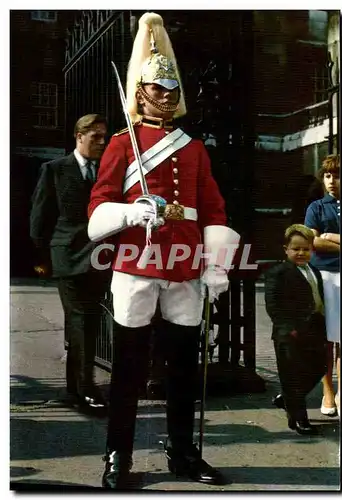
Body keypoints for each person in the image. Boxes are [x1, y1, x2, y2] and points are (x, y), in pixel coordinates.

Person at [87, 12, 240, 488]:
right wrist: (130, 214)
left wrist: (216, 265)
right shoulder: (119, 144)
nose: (167, 96)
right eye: (158, 88)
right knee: (129, 369)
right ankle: (118, 454)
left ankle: (182, 452)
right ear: (139, 92)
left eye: (173, 90)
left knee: (183, 370)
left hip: (185, 266)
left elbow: (212, 208)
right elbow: (97, 209)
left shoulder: (194, 148)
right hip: (137, 262)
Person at [30, 114, 111, 415]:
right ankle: (85, 388)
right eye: (96, 137)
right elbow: (40, 216)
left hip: (99, 258)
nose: (102, 142)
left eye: (104, 136)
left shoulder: (107, 171)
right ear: (79, 136)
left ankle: (74, 389)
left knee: (84, 322)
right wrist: (41, 259)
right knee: (81, 320)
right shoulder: (54, 169)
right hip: (68, 256)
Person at [265, 224, 328, 435]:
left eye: (306, 249)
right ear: (286, 249)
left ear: (312, 249)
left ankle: (287, 398)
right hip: (289, 333)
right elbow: (273, 304)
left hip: (313, 330)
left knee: (319, 366)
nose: (301, 253)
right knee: (291, 374)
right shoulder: (278, 273)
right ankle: (299, 420)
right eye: (296, 249)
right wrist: (288, 328)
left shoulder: (315, 271)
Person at [304, 154, 341, 417]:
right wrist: (323, 239)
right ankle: (328, 391)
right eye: (328, 176)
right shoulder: (316, 208)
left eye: (337, 175)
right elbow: (313, 242)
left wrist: (335, 237)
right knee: (327, 339)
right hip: (326, 276)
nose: (332, 181)